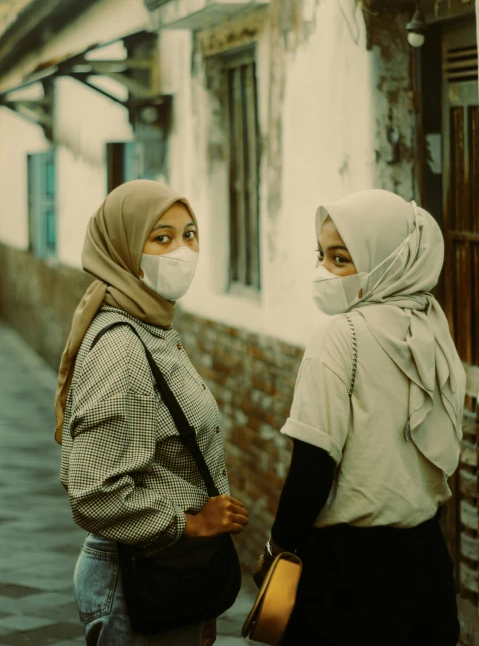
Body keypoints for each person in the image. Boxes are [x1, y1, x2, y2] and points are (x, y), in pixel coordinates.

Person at [255, 189, 465, 646]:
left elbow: (313, 464)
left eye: (341, 259)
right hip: (428, 564)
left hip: (348, 573)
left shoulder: (340, 334)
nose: (324, 272)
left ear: (385, 260)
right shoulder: (432, 327)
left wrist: (278, 547)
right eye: (322, 255)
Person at [55, 179, 248, 646]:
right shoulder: (122, 344)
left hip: (169, 572)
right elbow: (93, 490)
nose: (182, 250)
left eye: (190, 234)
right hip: (138, 579)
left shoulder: (151, 323)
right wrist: (190, 524)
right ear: (122, 248)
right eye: (161, 237)